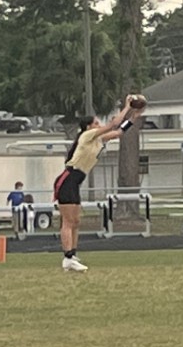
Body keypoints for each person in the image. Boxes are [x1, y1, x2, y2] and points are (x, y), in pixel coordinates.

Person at [53, 98, 143, 272]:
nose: (98, 124)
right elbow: (113, 124)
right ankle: (68, 257)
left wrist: (134, 117)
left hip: (76, 181)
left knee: (76, 221)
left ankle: (72, 254)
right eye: (95, 123)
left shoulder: (98, 140)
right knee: (68, 221)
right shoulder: (87, 136)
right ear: (88, 126)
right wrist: (127, 107)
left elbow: (118, 132)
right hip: (68, 179)